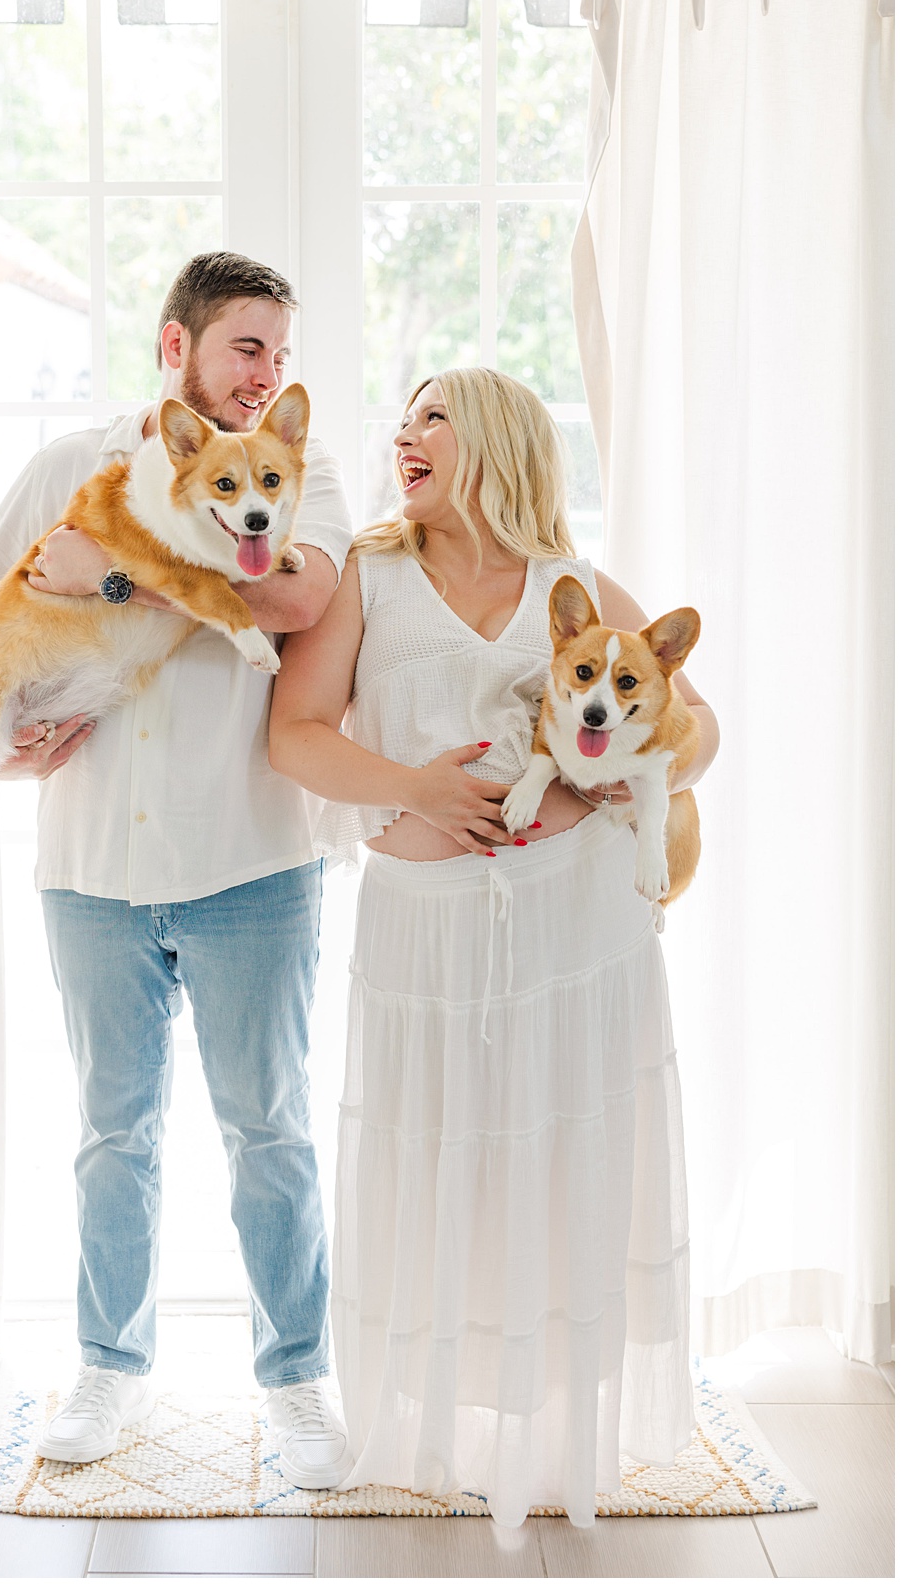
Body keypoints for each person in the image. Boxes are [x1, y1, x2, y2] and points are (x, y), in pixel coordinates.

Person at [268, 367, 719, 1526]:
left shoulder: (572, 586)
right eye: (404, 418)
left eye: (433, 416)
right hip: (425, 932)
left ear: (498, 442)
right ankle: (431, 1430)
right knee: (439, 1163)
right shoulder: (368, 575)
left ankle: (560, 1435)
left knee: (564, 1166)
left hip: (576, 927)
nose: (405, 434)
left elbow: (697, 724)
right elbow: (299, 739)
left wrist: (595, 774)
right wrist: (413, 786)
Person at [0, 253, 355, 1487]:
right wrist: (9, 752)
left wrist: (113, 576)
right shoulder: (68, 468)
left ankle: (298, 1384)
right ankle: (107, 1369)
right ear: (175, 352)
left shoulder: (300, 467)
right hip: (91, 867)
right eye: (246, 350)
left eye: (280, 353)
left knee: (268, 1129)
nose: (268, 374)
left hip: (251, 860)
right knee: (113, 1133)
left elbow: (296, 599)